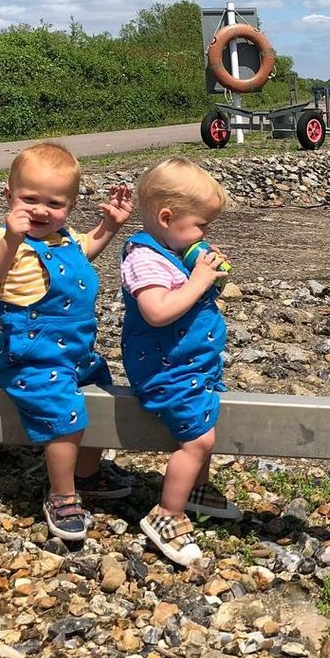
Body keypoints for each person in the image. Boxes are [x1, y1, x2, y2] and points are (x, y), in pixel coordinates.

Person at [0, 141, 134, 541]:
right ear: (9, 196)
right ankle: (61, 494)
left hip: (77, 352)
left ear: (71, 205)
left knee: (100, 401)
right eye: (29, 200)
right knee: (66, 418)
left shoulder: (64, 238)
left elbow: (84, 254)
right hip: (35, 357)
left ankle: (88, 473)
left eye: (55, 203)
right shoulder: (1, 239)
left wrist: (109, 228)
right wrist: (10, 241)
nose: (41, 211)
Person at [120, 156, 240, 568]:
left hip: (191, 364)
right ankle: (167, 514)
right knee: (198, 439)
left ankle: (196, 489)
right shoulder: (144, 259)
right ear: (167, 217)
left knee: (206, 416)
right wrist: (198, 281)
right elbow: (157, 311)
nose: (205, 235)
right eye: (201, 226)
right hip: (164, 367)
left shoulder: (173, 250)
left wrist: (208, 277)